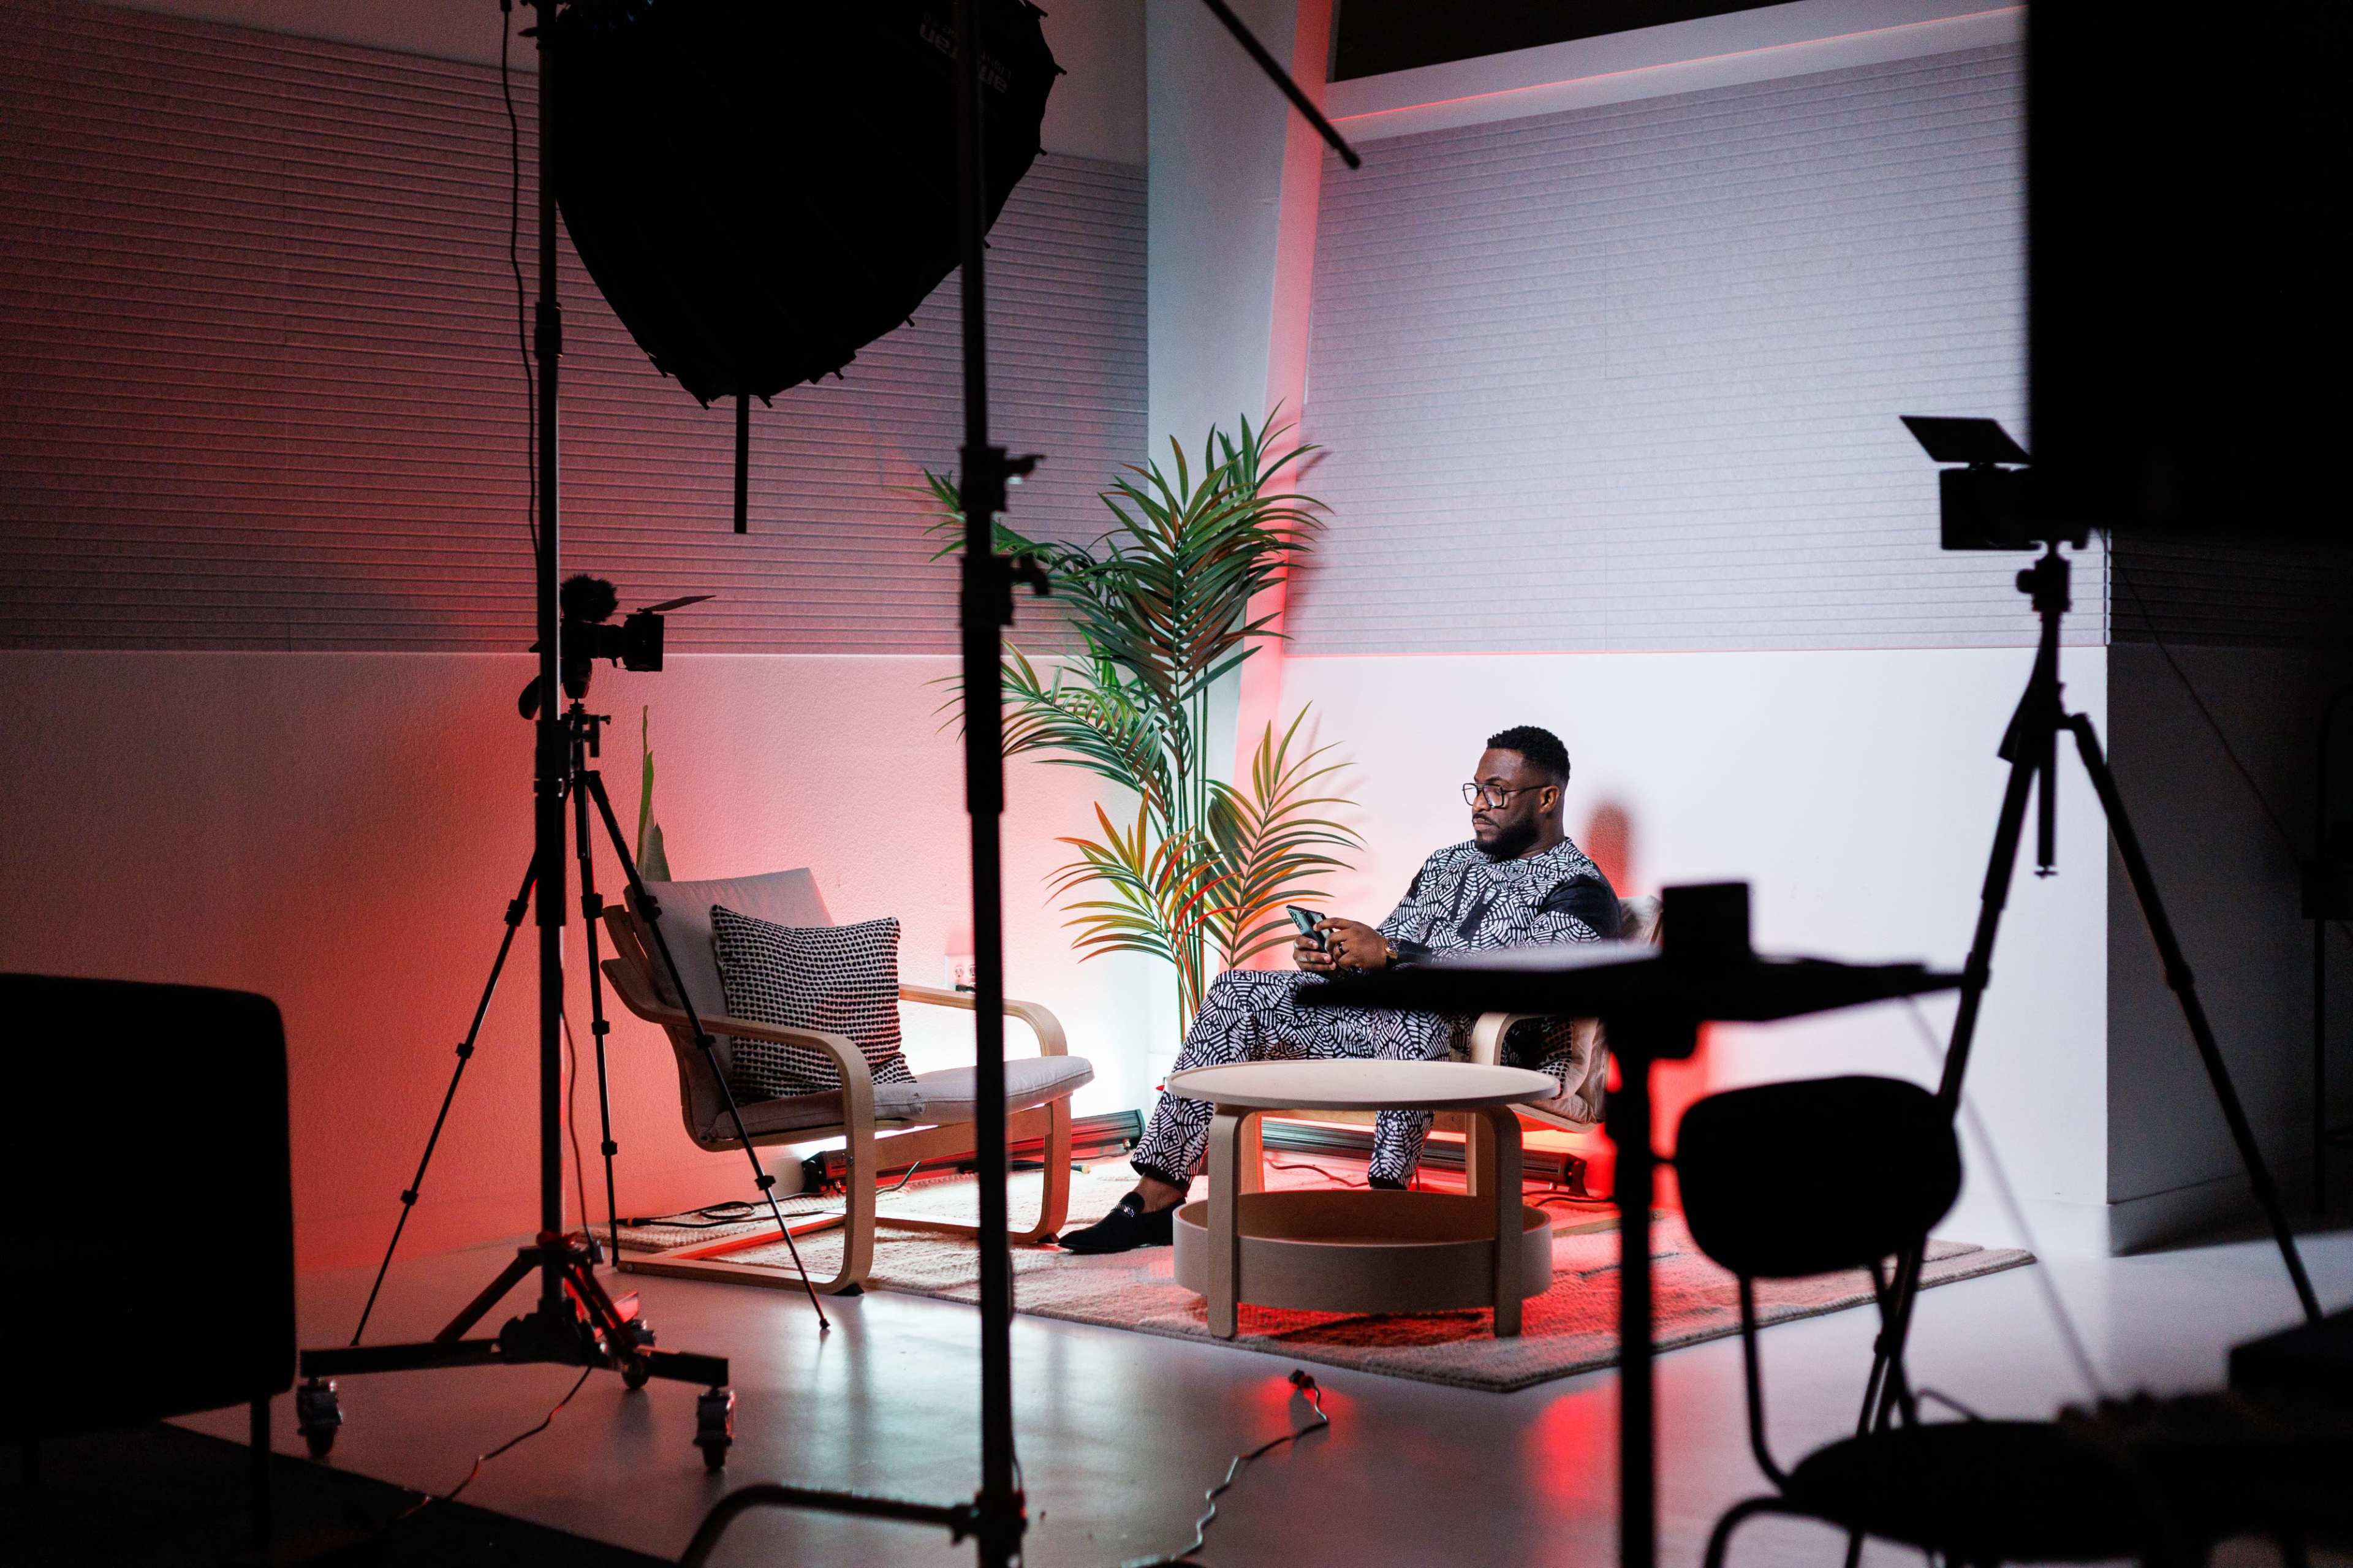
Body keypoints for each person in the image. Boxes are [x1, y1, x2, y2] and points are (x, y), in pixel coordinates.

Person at [1059, 724, 1619, 1254]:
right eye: (1476, 789)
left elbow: (1532, 977)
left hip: (1490, 1044)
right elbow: (1391, 943)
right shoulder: (1448, 864)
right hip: (1391, 1024)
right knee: (1238, 991)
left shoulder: (1580, 888)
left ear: (1547, 799)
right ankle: (1157, 1196)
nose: (1478, 804)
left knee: (1415, 1013)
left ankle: (1385, 1201)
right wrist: (1341, 959)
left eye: (1497, 792)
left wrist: (1394, 956)